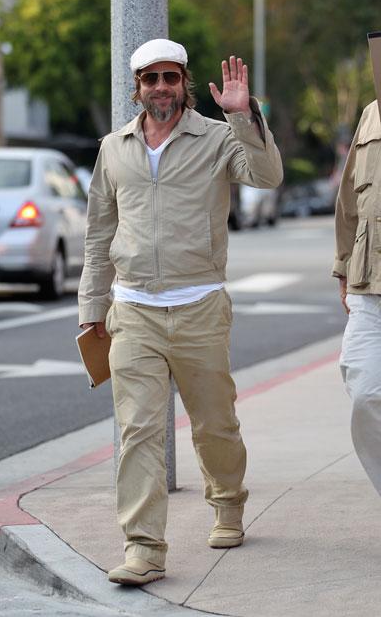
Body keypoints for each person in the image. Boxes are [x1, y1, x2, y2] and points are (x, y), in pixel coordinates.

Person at [78, 38, 283, 586]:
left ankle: (229, 501)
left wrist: (245, 116)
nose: (161, 88)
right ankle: (144, 546)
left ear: (184, 82)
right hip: (134, 312)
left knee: (215, 423)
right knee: (139, 431)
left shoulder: (216, 138)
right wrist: (91, 308)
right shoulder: (113, 148)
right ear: (137, 87)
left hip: (199, 307)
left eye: (171, 77)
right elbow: (99, 234)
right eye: (151, 79)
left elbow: (266, 177)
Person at [333, 98, 381, 497]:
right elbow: (349, 201)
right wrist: (343, 265)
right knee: (365, 391)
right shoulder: (370, 113)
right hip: (370, 282)